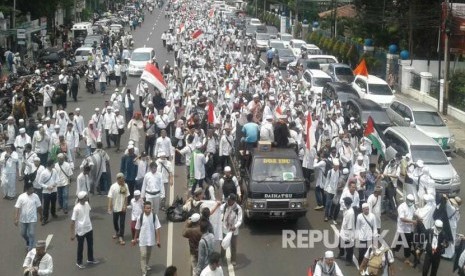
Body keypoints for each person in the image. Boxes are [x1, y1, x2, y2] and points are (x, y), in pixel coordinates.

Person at [132, 201, 162, 276]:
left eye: (150, 208)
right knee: (143, 255)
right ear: (144, 209)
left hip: (151, 239)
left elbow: (157, 228)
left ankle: (146, 264)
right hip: (142, 239)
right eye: (147, 208)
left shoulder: (154, 216)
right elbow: (137, 228)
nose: (148, 210)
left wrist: (158, 240)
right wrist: (135, 239)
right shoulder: (140, 217)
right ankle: (144, 271)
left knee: (148, 254)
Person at [71, 191, 99, 269]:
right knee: (80, 247)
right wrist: (72, 234)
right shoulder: (76, 208)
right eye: (86, 196)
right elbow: (72, 221)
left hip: (89, 228)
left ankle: (90, 259)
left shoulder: (87, 204)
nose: (87, 197)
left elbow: (87, 213)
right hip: (80, 230)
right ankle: (79, 262)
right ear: (82, 198)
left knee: (90, 244)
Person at [15, 184, 43, 252]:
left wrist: (41, 216)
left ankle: (31, 248)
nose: (32, 190)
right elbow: (17, 207)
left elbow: (39, 207)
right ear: (27, 189)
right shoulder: (21, 197)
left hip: (32, 219)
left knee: (31, 233)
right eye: (31, 189)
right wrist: (16, 218)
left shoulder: (35, 196)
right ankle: (28, 241)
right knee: (23, 233)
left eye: (32, 189)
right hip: (23, 219)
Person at [393, 193, 417, 267]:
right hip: (402, 229)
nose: (411, 202)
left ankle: (394, 251)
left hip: (409, 229)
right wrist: (412, 222)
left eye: (412, 201)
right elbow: (402, 218)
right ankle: (405, 258)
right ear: (406, 200)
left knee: (405, 244)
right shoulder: (402, 207)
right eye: (410, 201)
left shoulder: (412, 206)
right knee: (404, 244)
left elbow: (414, 213)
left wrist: (418, 217)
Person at [220, 194, 243, 266]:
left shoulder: (238, 209)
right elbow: (219, 210)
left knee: (233, 245)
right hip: (225, 228)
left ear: (233, 201)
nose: (228, 202)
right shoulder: (224, 206)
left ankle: (233, 260)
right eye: (227, 200)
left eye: (229, 201)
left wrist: (235, 226)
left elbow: (240, 220)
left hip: (233, 231)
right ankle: (222, 257)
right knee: (223, 244)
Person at [108, 172, 130, 245]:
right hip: (115, 207)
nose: (123, 181)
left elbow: (126, 196)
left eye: (123, 180)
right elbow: (110, 197)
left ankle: (121, 236)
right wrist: (109, 207)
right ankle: (117, 232)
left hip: (122, 208)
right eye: (121, 180)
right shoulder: (113, 187)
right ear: (118, 179)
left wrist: (125, 206)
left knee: (122, 223)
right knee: (115, 221)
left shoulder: (125, 185)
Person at [39, 160, 58, 225]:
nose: (54, 165)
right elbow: (40, 182)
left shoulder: (54, 171)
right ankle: (45, 218)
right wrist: (47, 187)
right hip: (46, 192)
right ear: (50, 165)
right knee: (46, 205)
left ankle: (53, 213)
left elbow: (57, 179)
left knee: (53, 203)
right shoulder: (43, 173)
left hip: (54, 190)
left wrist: (54, 184)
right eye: (53, 164)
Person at [338, 197, 355, 266]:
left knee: (349, 248)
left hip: (348, 233)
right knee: (340, 244)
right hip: (343, 231)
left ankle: (349, 260)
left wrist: (348, 236)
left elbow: (350, 226)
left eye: (344, 202)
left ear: (346, 203)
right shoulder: (346, 209)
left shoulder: (351, 213)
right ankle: (341, 253)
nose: (344, 203)